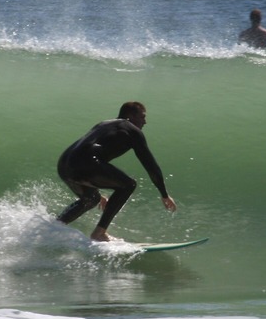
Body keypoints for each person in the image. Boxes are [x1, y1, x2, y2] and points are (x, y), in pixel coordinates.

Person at [56, 101, 177, 241]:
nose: (145, 122)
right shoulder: (132, 130)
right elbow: (151, 165)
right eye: (142, 117)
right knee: (128, 185)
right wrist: (164, 194)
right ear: (131, 115)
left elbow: (83, 151)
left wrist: (94, 189)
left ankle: (55, 226)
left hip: (65, 164)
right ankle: (99, 233)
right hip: (87, 162)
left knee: (91, 199)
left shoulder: (104, 124)